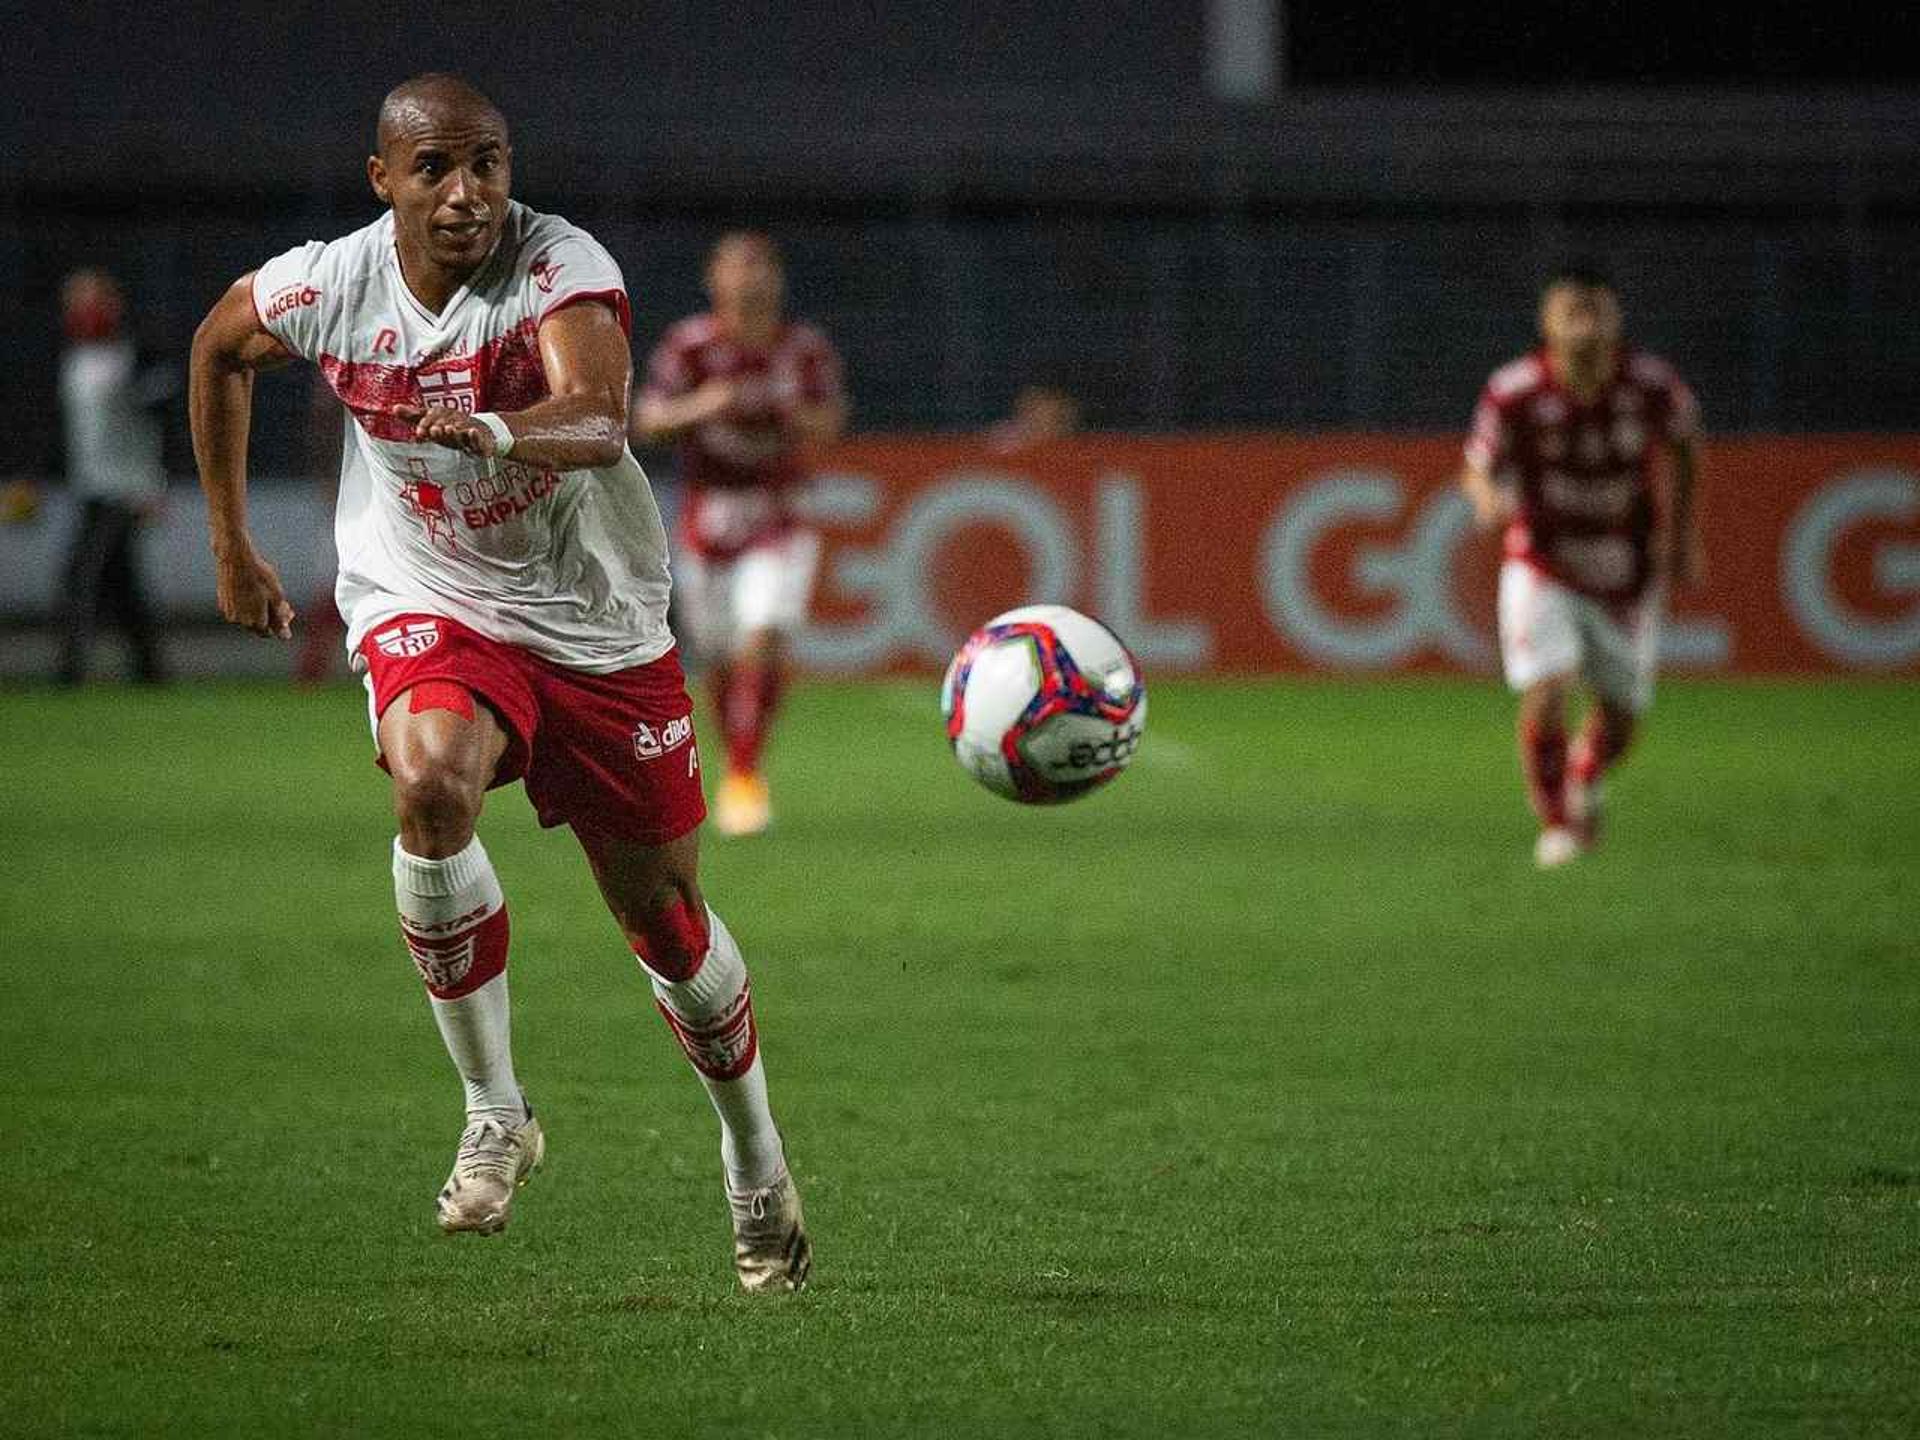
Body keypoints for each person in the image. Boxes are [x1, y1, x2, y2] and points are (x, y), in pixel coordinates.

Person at [187, 74, 809, 1292]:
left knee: (667, 927)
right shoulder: (331, 284)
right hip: (432, 599)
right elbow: (220, 347)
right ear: (386, 183)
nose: (468, 193)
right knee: (430, 790)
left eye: (489, 164)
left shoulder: (557, 268)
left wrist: (505, 430)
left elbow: (601, 412)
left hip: (593, 618)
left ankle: (755, 1159)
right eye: (436, 170)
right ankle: (494, 1109)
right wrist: (231, 545)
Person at [1460, 264, 1703, 868]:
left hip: (1625, 572)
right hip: (1543, 562)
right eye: (1572, 312)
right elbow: (1477, 466)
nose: (1585, 326)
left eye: (1596, 312)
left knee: (1621, 721)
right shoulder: (1514, 390)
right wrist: (1488, 497)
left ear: (1616, 321)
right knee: (1547, 690)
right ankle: (1558, 823)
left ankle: (1584, 774)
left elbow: (1684, 445)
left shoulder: (1650, 385)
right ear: (1547, 324)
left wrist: (1681, 533)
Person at [633, 232, 847, 838]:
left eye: (761, 267)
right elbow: (648, 420)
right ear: (714, 278)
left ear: (777, 279)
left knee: (764, 634)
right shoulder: (690, 345)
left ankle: (747, 774)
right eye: (737, 267)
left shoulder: (802, 350)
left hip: (778, 512)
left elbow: (830, 422)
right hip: (708, 515)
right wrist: (703, 406)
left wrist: (785, 410)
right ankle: (734, 764)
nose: (751, 279)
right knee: (720, 656)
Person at [55, 268, 173, 685]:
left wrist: (156, 487)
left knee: (81, 576)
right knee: (121, 586)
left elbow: (164, 426)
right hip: (91, 488)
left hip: (127, 490)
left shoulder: (138, 356)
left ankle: (69, 671)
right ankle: (152, 672)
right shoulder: (74, 361)